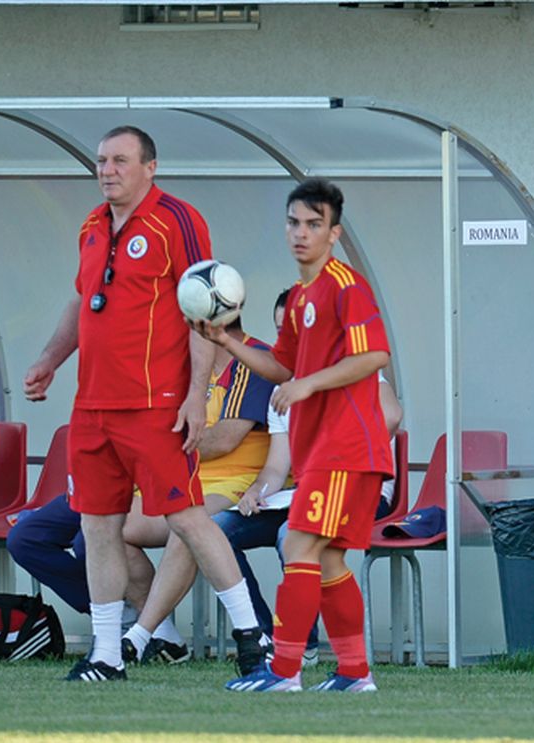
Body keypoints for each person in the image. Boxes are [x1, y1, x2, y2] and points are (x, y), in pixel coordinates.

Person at [22, 125, 264, 682]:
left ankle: (252, 640)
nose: (107, 170)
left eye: (120, 161)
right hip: (92, 409)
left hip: (155, 405)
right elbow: (84, 301)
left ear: (149, 168)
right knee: (97, 526)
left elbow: (205, 313)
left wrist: (197, 399)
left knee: (189, 519)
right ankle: (106, 653)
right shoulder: (90, 225)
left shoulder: (177, 219)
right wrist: (49, 360)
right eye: (102, 160)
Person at [195, 177, 393, 693]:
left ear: (334, 233)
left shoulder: (345, 286)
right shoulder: (304, 293)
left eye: (313, 224)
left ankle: (283, 671)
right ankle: (355, 672)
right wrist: (225, 340)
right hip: (325, 450)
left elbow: (373, 356)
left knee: (301, 546)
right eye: (294, 222)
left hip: (348, 447)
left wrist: (309, 384)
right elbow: (280, 366)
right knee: (326, 559)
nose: (301, 233)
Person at [211, 289, 402, 665]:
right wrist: (256, 492)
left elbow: (391, 417)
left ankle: (302, 646)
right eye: (283, 332)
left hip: (359, 491)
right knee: (216, 529)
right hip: (302, 496)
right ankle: (264, 633)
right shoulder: (285, 387)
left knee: (292, 533)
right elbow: (276, 467)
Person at [117, 311, 278, 664]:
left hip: (237, 481)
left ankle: (138, 635)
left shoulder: (254, 359)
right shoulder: (182, 365)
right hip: (182, 476)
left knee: (188, 524)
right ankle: (165, 638)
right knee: (110, 527)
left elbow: (225, 439)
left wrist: (159, 448)